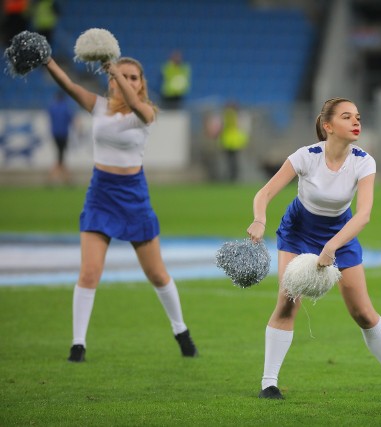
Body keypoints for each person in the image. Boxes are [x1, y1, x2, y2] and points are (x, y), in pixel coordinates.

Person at [246, 97, 381, 399]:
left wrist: (331, 247)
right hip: (298, 231)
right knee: (288, 303)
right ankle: (268, 383)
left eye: (358, 116)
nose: (356, 122)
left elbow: (364, 214)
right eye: (347, 117)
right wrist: (260, 220)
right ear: (328, 126)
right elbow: (265, 192)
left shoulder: (364, 161)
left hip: (341, 234)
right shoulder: (306, 156)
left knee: (363, 312)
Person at [41, 55, 198, 362]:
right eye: (119, 76)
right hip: (100, 195)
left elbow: (138, 107)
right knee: (89, 273)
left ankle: (181, 331)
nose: (126, 81)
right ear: (109, 80)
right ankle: (78, 345)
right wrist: (47, 61)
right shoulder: (98, 106)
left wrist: (115, 70)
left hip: (133, 197)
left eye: (133, 77)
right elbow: (69, 85)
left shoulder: (146, 112)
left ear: (142, 85)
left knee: (156, 273)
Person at [46, 90, 73, 186]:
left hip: (55, 134)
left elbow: (49, 117)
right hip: (63, 135)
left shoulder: (52, 107)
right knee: (60, 157)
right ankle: (53, 179)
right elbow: (71, 119)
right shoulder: (66, 107)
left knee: (60, 156)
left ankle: (66, 179)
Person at [219, 102, 249, 182]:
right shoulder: (238, 116)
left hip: (227, 141)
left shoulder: (226, 115)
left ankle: (231, 177)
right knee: (234, 161)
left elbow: (222, 128)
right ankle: (234, 177)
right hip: (235, 141)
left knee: (230, 161)